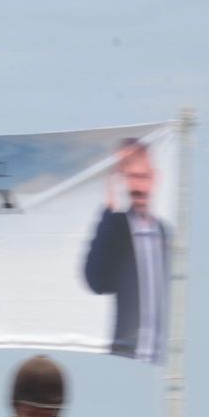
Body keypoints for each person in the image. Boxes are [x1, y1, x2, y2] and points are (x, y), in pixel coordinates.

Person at [82, 139, 170, 364]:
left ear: (154, 178)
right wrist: (110, 211)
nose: (137, 186)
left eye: (143, 177)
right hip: (127, 360)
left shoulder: (165, 234)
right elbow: (96, 281)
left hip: (164, 361)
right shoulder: (117, 229)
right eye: (129, 177)